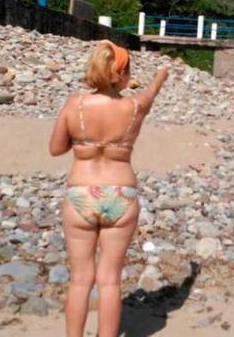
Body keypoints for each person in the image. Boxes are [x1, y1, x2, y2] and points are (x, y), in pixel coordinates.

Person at [49, 40, 169, 337]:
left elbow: (55, 149)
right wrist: (161, 75)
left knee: (80, 280)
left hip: (81, 193)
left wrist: (83, 143)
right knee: (110, 280)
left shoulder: (74, 104)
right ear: (120, 72)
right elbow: (150, 93)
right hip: (121, 194)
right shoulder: (133, 106)